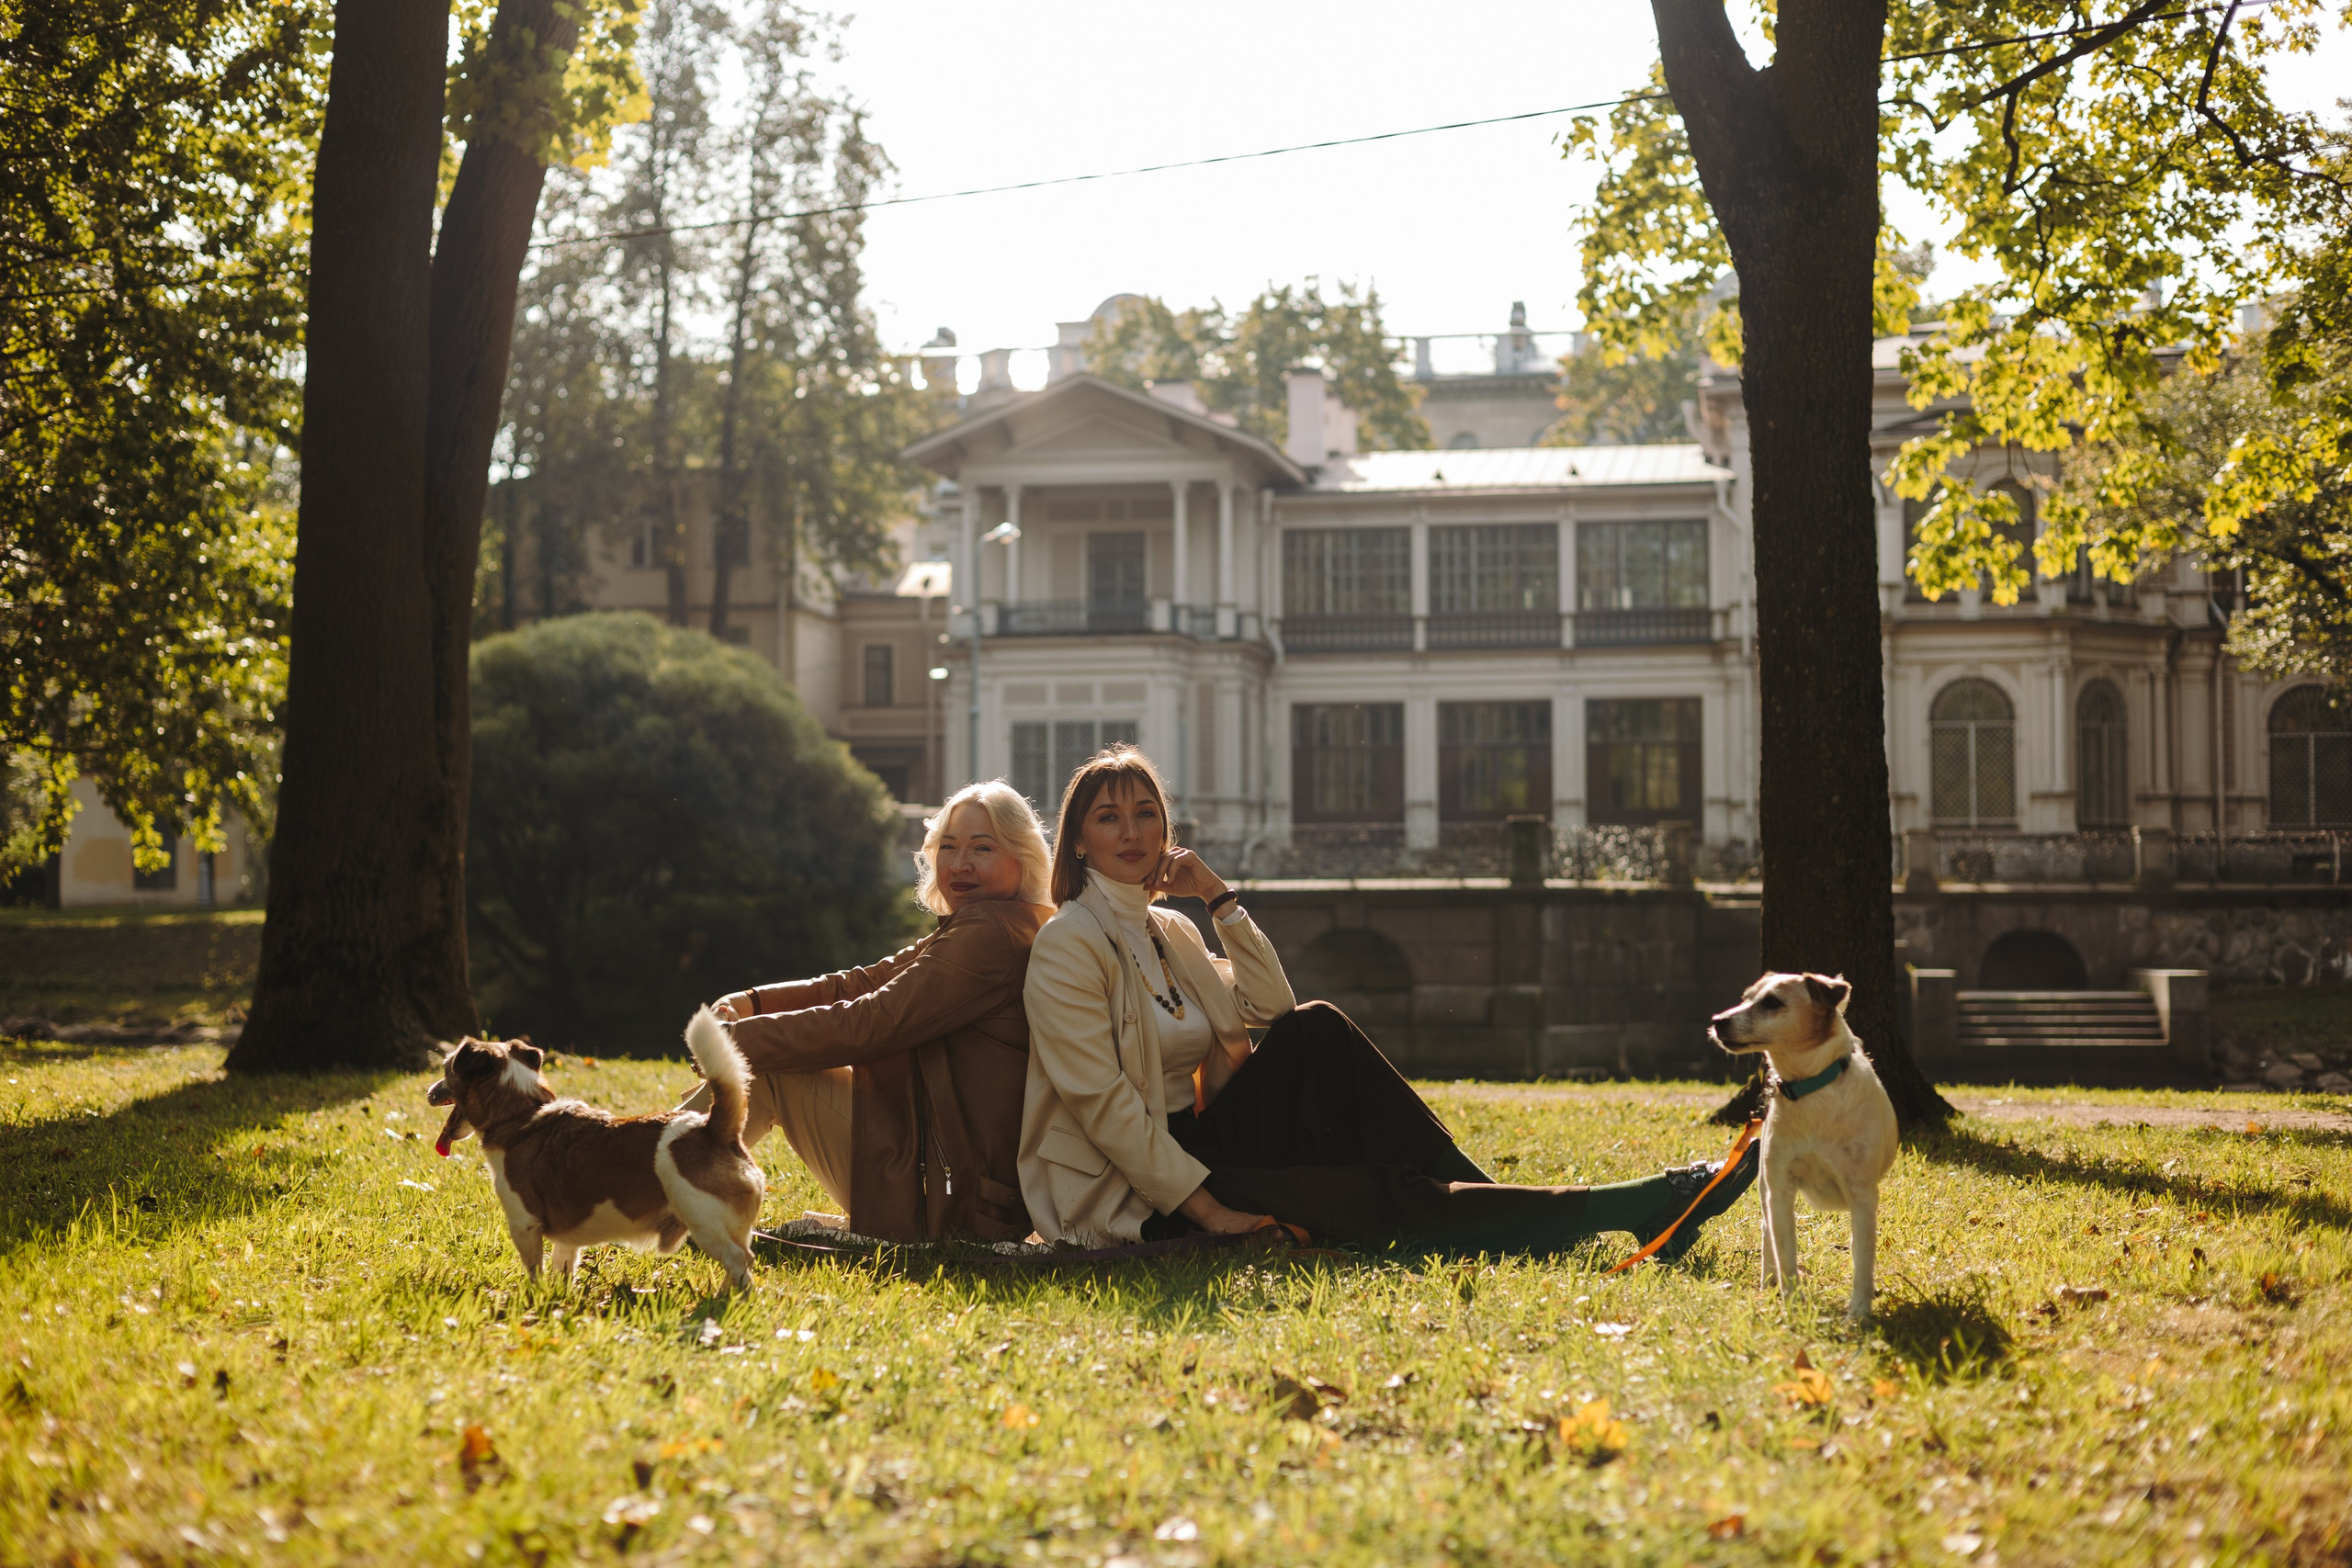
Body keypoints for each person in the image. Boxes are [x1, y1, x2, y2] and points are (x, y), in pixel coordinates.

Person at [1018, 746, 1758, 1256]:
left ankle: (1505, 1197)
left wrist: (1218, 898)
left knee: (1319, 1027)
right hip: (1139, 1188)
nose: (1133, 831)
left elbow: (1273, 1009)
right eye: (1109, 817)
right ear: (1078, 840)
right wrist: (1212, 1212)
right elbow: (1105, 1108)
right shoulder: (1068, 944)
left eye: (1146, 812)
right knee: (1375, 1193)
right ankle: (1634, 1203)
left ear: (1166, 828)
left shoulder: (1172, 928)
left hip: (1209, 1140)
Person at [681, 780, 1057, 1242]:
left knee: (769, 1070)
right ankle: (655, 1176)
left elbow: (873, 1021)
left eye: (982, 848)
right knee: (768, 1061)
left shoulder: (989, 935)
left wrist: (733, 1042)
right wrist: (753, 1002)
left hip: (945, 1199)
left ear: (1022, 858)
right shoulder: (1002, 922)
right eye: (948, 846)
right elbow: (861, 982)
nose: (960, 864)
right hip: (950, 1182)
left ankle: (649, 1184)